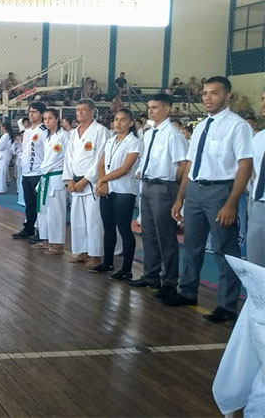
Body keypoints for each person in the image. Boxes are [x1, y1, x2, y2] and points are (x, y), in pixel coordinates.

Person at [164, 76, 254, 323]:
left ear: (228, 96)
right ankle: (187, 291)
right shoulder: (202, 126)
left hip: (220, 191)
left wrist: (231, 202)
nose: (207, 97)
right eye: (204, 93)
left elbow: (245, 165)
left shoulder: (238, 126)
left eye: (214, 93)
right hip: (195, 189)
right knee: (192, 245)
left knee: (225, 249)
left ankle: (227, 304)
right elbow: (191, 165)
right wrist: (180, 198)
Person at [126, 94, 188, 294]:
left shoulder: (173, 133)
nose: (150, 110)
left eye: (155, 107)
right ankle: (151, 275)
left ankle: (169, 282)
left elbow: (182, 165)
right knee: (149, 234)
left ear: (167, 109)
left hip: (164, 187)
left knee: (166, 236)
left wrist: (173, 187)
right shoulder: (150, 132)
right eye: (149, 107)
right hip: (148, 185)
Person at [92, 109, 142, 280]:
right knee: (108, 228)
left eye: (123, 120)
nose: (118, 123)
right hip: (108, 189)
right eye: (116, 119)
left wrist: (102, 181)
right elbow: (101, 164)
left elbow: (124, 169)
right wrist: (103, 182)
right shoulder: (111, 140)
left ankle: (126, 269)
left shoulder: (134, 142)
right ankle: (108, 262)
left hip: (124, 191)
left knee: (124, 229)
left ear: (130, 123)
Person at [63, 98, 111, 269]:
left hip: (92, 183)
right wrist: (69, 179)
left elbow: (101, 159)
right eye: (77, 110)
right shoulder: (74, 133)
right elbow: (68, 158)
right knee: (78, 220)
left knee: (93, 220)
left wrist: (85, 180)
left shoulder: (101, 131)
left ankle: (96, 255)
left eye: (83, 109)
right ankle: (82, 252)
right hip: (75, 181)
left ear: (92, 111)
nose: (80, 113)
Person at [35, 108, 69, 255]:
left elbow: (69, 158)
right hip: (45, 177)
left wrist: (69, 178)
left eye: (50, 118)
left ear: (57, 119)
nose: (47, 121)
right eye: (45, 119)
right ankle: (47, 238)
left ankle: (58, 244)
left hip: (57, 178)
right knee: (44, 212)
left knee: (56, 213)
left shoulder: (64, 136)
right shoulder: (48, 137)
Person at [12, 102, 47, 241]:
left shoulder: (43, 131)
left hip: (38, 172)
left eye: (35, 112)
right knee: (29, 203)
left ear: (41, 114)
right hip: (26, 172)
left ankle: (41, 230)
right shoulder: (27, 131)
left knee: (39, 205)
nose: (31, 114)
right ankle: (29, 227)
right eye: (30, 111)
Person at [249, 109, 265, 267]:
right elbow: (252, 167)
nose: (263, 104)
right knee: (256, 261)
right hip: (259, 202)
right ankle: (255, 293)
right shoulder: (259, 138)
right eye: (262, 99)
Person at [0, 123, 13, 193]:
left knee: (1, 173)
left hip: (4, 156)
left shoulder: (6, 136)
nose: (0, 128)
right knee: (1, 172)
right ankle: (3, 188)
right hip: (3, 156)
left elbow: (0, 147)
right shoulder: (5, 136)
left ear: (4, 128)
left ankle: (1, 190)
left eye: (1, 127)